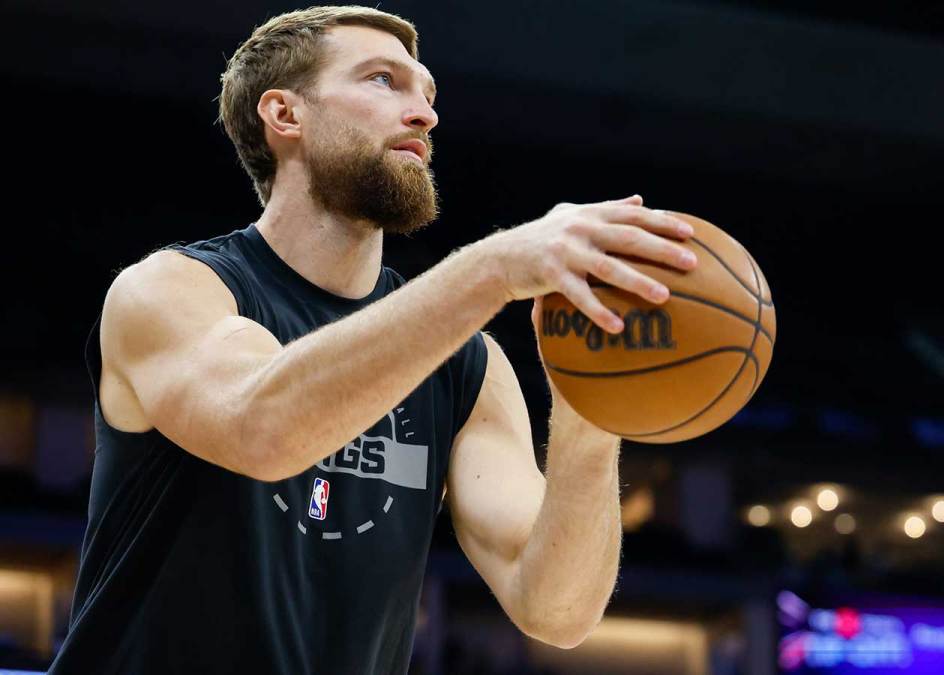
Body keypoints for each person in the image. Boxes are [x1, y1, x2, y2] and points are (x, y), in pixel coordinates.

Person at [49, 6, 697, 674]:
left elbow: (557, 609)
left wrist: (592, 403)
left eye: (428, 93)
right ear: (284, 115)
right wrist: (495, 266)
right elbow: (262, 427)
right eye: (384, 81)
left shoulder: (467, 364)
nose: (424, 113)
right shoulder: (170, 290)